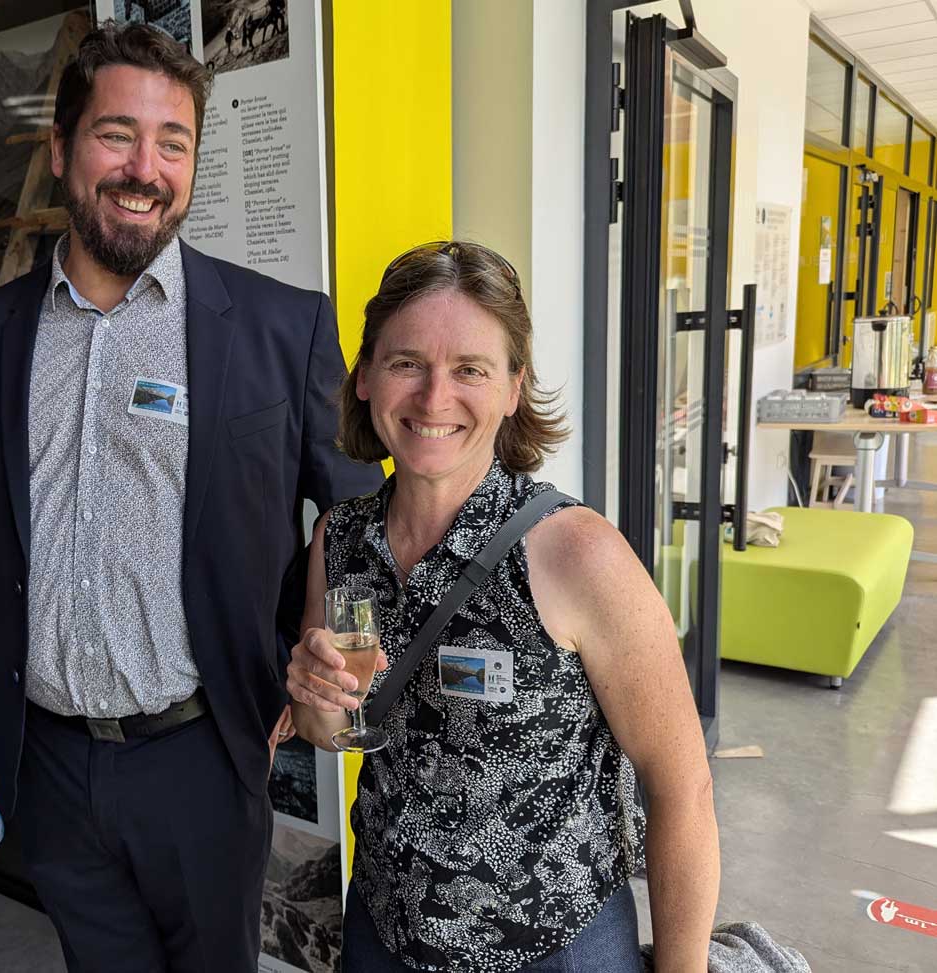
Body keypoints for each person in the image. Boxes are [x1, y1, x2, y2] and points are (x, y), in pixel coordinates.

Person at [0, 22, 383, 973]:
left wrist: (330, 654)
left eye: (173, 143)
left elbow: (358, 520)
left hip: (203, 753)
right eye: (117, 135)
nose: (145, 168)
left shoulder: (279, 326)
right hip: (51, 758)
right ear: (62, 150)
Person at [286, 241, 719, 972]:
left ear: (514, 387)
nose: (433, 398)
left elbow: (682, 786)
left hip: (554, 947)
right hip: (384, 931)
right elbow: (326, 727)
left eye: (470, 370)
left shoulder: (577, 554)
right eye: (406, 363)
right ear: (364, 377)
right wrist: (316, 698)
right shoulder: (342, 536)